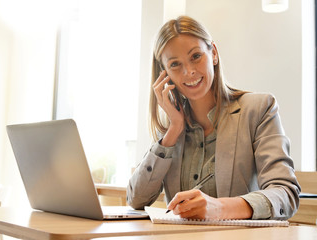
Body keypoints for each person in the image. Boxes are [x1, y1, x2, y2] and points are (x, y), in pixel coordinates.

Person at [127, 16, 300, 220]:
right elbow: (136, 199)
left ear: (214, 54)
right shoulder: (169, 129)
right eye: (175, 64)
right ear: (164, 74)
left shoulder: (259, 109)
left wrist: (219, 208)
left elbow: (285, 194)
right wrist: (173, 131)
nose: (189, 71)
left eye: (196, 56)